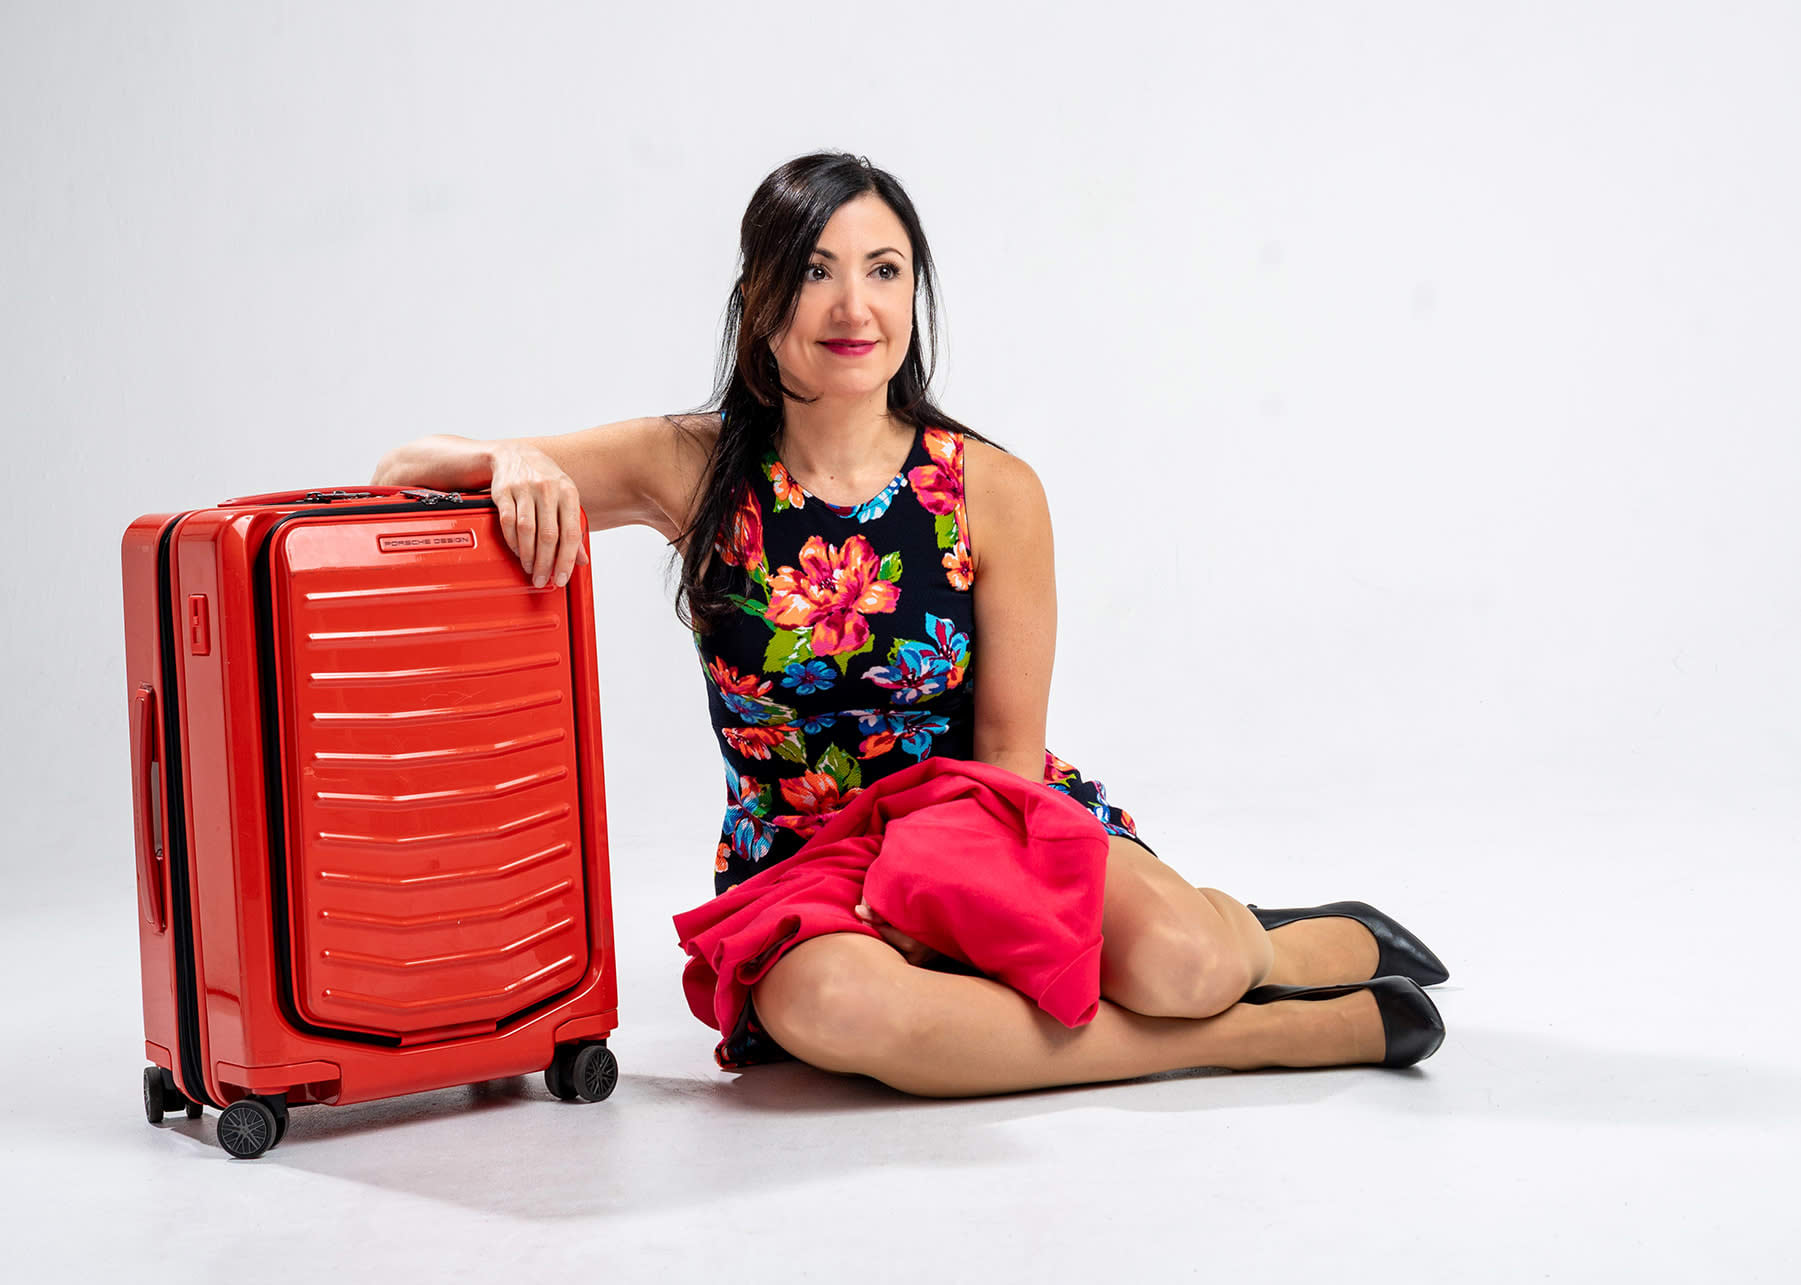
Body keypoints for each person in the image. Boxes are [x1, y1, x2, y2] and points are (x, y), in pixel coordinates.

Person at [371, 151, 1449, 1098]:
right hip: (800, 859)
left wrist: (948, 913)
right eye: (815, 271)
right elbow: (401, 475)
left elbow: (1009, 760)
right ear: (758, 299)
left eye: (883, 272)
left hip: (981, 816)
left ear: (914, 295)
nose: (853, 308)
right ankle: (1266, 1041)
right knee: (839, 1009)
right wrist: (508, 458)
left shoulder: (992, 487)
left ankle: (1262, 949)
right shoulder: (691, 468)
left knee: (1182, 967)